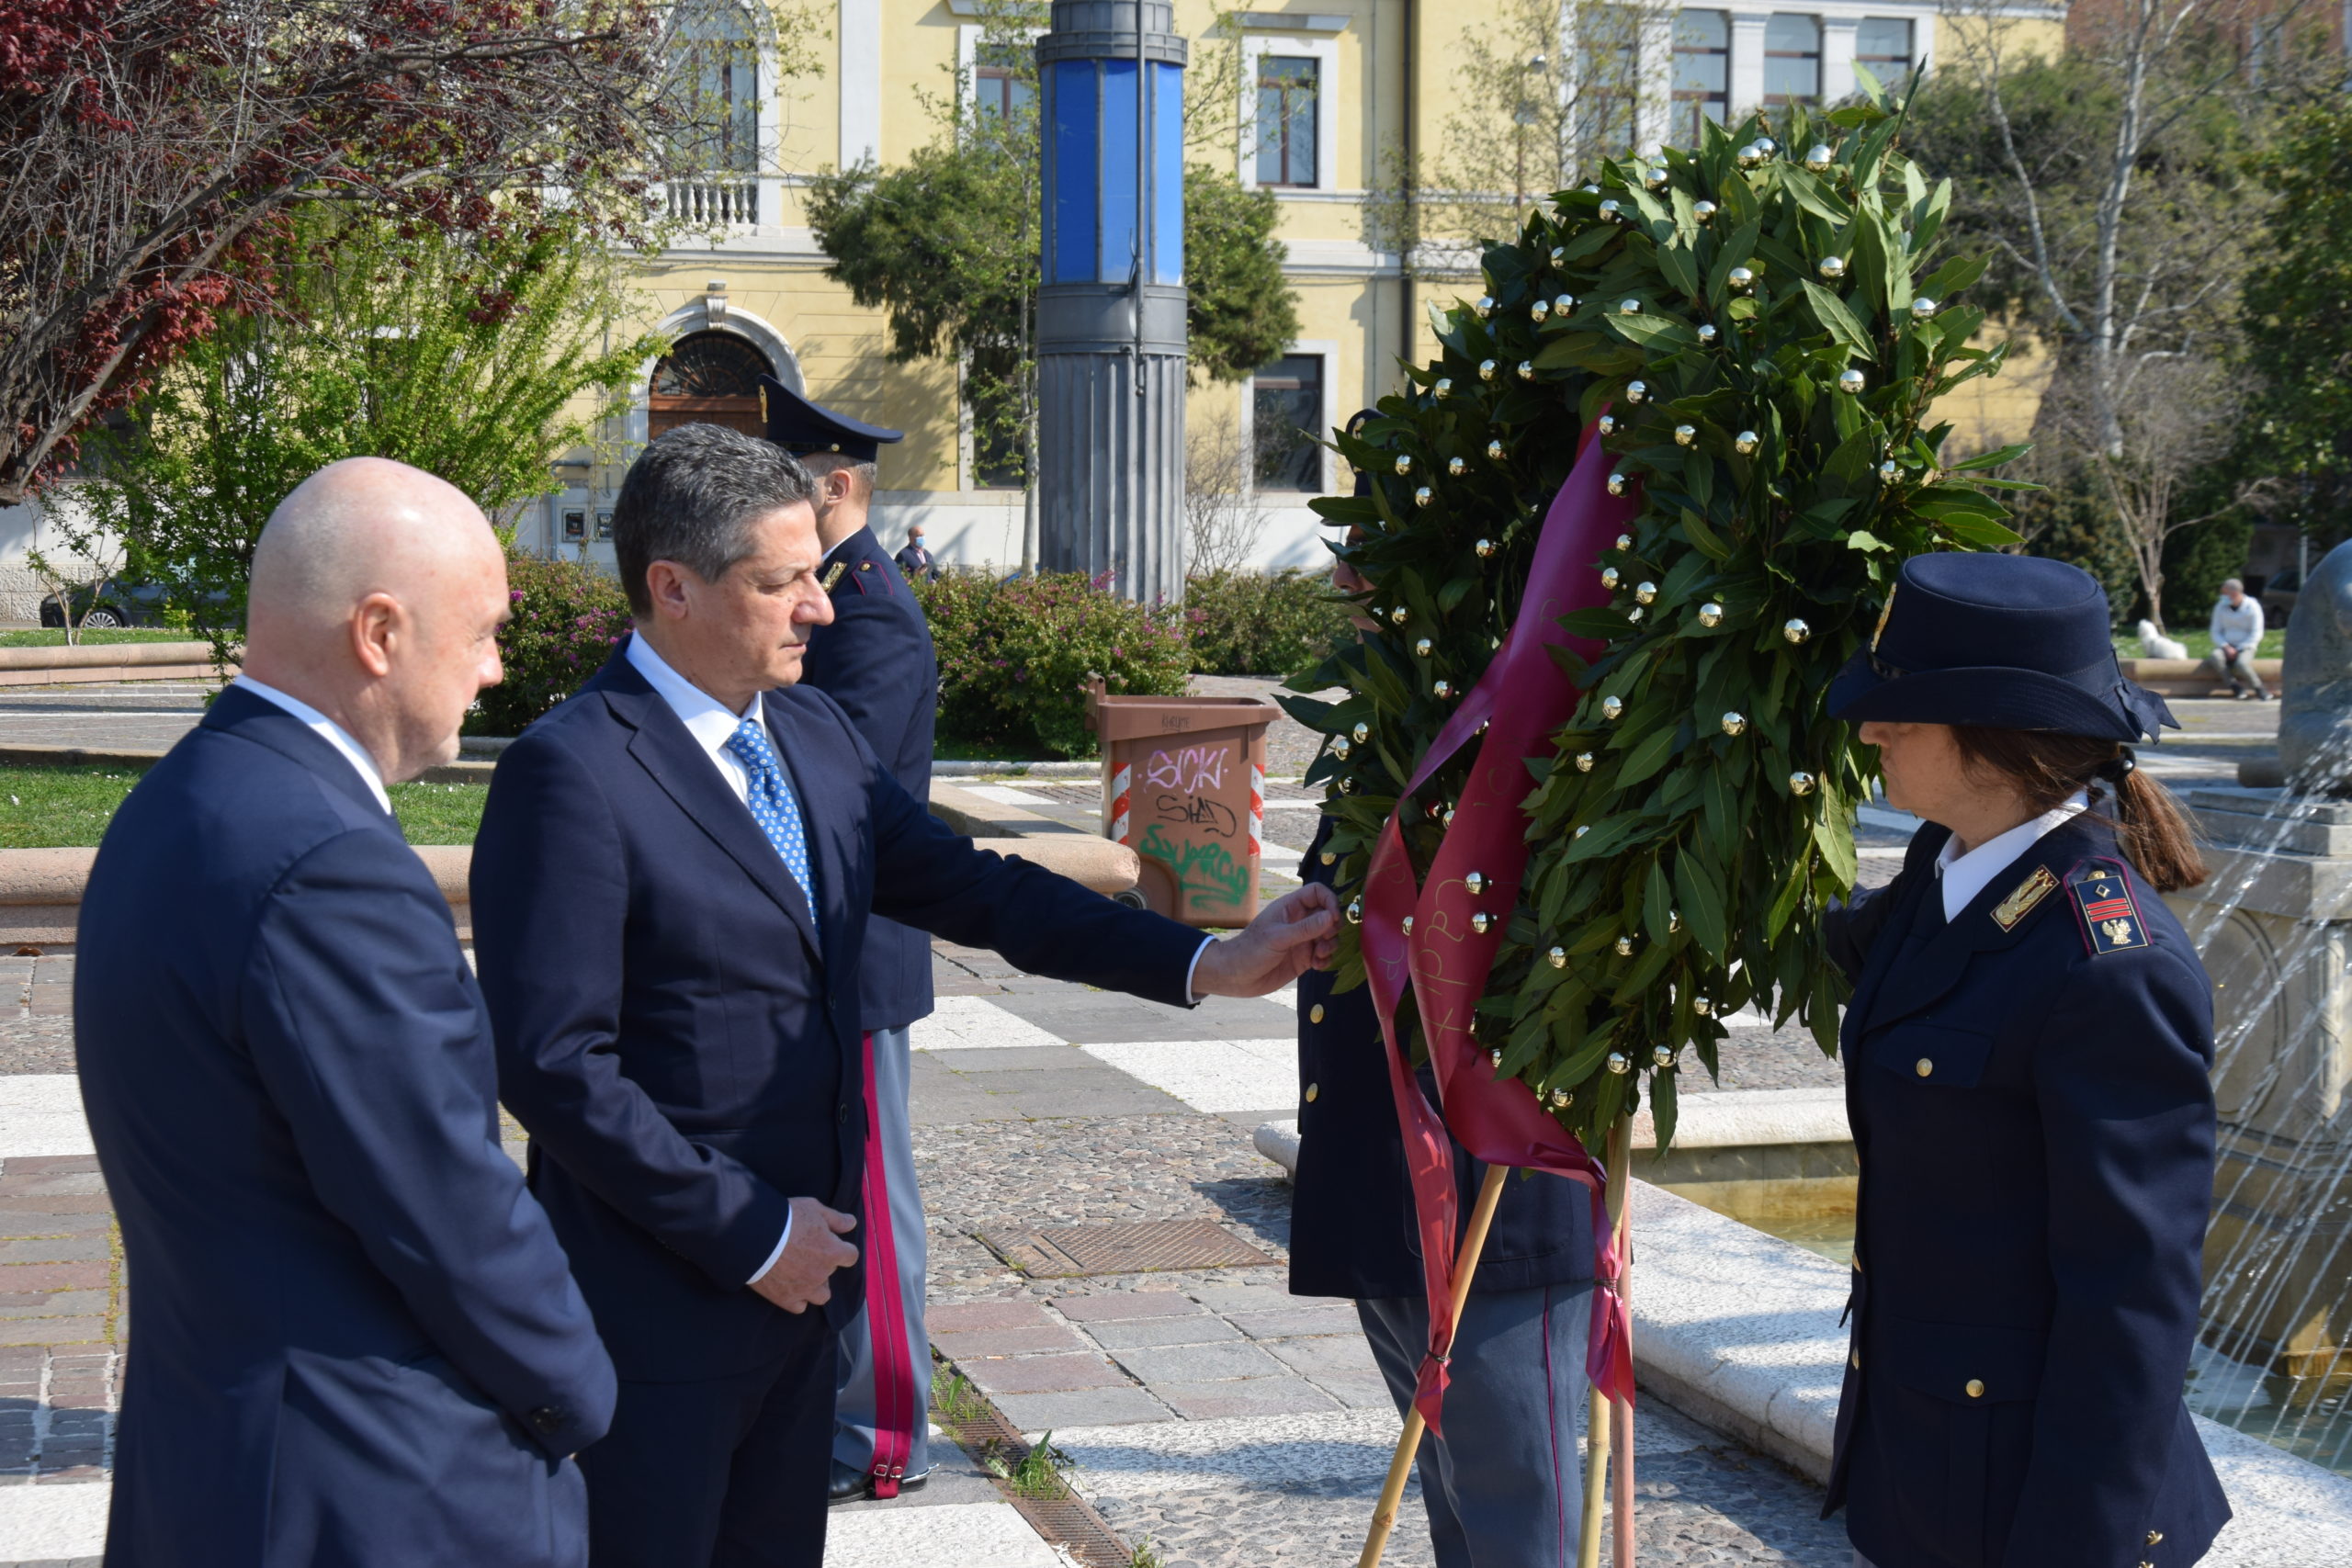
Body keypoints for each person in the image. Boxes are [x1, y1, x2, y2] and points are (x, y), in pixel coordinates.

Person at [469, 422, 1339, 1568]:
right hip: (660, 1314)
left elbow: (976, 889)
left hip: (804, 1298)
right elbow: (554, 1066)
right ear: (672, 587)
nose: (819, 610)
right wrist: (749, 1232)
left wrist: (1200, 963)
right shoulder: (571, 772)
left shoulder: (811, 732)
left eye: (815, 575)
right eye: (781, 583)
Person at [76, 459, 616, 1567]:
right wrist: (581, 1389)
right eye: (482, 634)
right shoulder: (327, 863)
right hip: (370, 1487)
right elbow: (446, 1207)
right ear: (379, 634)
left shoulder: (182, 801)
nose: (495, 669)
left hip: (219, 1459)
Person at [1820, 552, 2230, 1568]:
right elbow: (1884, 963)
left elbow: (2130, 1307)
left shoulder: (2108, 968)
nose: (1870, 731)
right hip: (1921, 1463)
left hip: (2025, 1506)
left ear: (1991, 737)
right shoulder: (1951, 861)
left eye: (1901, 713)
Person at [1299, 423, 1598, 1566]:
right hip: (1389, 1189)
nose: (1343, 576)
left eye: (1371, 550)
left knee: (1519, 1515)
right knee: (1460, 1510)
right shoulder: (1403, 722)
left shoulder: (1526, 741)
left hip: (1491, 1202)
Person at [755, 377, 939, 1502]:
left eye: (779, 482)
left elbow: (841, 794)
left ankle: (882, 1432)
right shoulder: (831, 595)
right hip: (815, 954)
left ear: (831, 487)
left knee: (874, 1197)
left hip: (856, 955)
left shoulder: (866, 613)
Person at [2205, 577, 2267, 699]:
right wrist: (2225, 646)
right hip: (2227, 645)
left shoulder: (2253, 607)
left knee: (2242, 664)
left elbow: (2257, 632)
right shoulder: (2220, 607)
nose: (2222, 596)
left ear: (2234, 593)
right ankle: (2235, 686)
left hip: (2246, 645)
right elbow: (2215, 631)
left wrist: (2240, 649)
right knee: (2215, 657)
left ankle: (2259, 688)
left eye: (2225, 593)